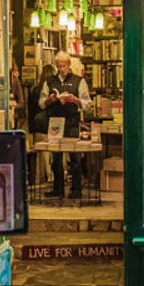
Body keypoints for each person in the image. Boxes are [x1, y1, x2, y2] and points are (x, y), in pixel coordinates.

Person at [39, 51, 92, 198]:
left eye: (64, 66)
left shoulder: (79, 81)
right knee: (55, 157)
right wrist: (50, 100)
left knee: (74, 156)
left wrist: (75, 100)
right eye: (59, 66)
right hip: (55, 122)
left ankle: (76, 189)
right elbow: (41, 103)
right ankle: (58, 188)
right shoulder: (49, 81)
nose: (62, 69)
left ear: (69, 65)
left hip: (72, 122)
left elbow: (87, 103)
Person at [29, 64, 56, 186]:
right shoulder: (54, 89)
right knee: (54, 151)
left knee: (42, 154)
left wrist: (31, 128)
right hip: (51, 123)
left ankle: (43, 177)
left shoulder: (34, 89)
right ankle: (54, 176)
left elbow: (30, 109)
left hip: (38, 124)